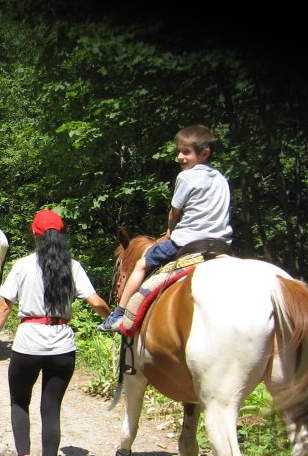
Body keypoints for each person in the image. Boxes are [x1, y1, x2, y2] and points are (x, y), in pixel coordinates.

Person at [0, 210, 111, 456]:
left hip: (28, 342)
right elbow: (97, 302)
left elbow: (5, 306)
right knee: (51, 408)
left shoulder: (22, 265)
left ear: (34, 234)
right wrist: (116, 322)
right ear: (60, 234)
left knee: (19, 401)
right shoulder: (73, 267)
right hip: (62, 345)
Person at [98, 124, 233, 332]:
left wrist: (170, 231)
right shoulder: (222, 180)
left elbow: (174, 212)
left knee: (142, 264)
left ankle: (119, 314)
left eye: (186, 152)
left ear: (205, 153)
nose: (180, 156)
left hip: (188, 242)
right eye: (179, 151)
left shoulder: (186, 177)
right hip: (221, 245)